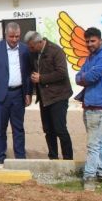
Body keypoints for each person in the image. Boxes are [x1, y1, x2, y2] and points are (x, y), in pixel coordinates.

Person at [0, 22, 32, 164]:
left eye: (17, 36)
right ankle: (0, 157)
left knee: (18, 128)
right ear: (5, 35)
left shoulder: (25, 49)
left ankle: (20, 158)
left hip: (18, 95)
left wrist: (28, 93)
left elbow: (28, 72)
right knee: (0, 128)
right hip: (0, 96)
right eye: (11, 36)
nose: (14, 39)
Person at [74, 27, 102, 191]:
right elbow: (78, 77)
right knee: (99, 140)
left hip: (99, 105)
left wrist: (85, 75)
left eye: (93, 41)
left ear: (100, 40)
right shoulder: (91, 57)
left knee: (92, 144)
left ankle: (89, 177)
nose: (90, 44)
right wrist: (85, 76)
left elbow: (90, 76)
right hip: (91, 103)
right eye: (87, 41)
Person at [23, 31, 74, 160]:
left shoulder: (56, 51)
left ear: (39, 42)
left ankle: (68, 160)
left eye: (32, 47)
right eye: (29, 47)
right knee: (48, 130)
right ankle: (53, 158)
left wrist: (42, 78)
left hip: (59, 96)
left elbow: (62, 73)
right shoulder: (33, 53)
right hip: (44, 98)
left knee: (60, 129)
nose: (30, 49)